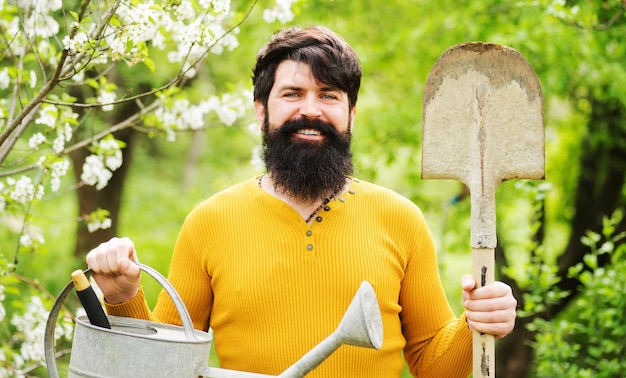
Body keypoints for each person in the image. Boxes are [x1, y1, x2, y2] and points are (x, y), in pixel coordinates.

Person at [86, 25, 517, 377]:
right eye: (292, 94)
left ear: (351, 114)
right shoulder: (209, 222)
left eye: (329, 95)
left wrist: (474, 327)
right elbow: (163, 369)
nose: (311, 110)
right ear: (261, 110)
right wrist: (124, 298)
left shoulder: (400, 219)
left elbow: (434, 366)